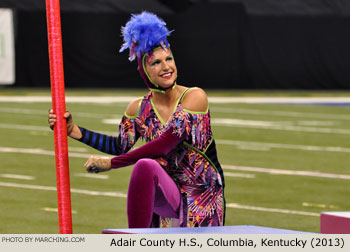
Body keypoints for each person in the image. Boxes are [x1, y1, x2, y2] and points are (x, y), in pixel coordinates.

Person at [48, 11, 225, 228]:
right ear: (144, 71)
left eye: (169, 59)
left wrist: (111, 164)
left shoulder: (194, 97)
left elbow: (164, 144)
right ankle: (136, 241)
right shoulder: (138, 109)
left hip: (201, 197)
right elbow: (119, 145)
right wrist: (74, 130)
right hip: (169, 193)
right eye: (156, 63)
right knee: (145, 167)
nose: (166, 67)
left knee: (145, 165)